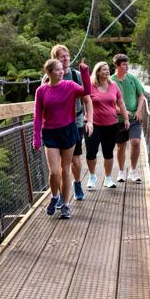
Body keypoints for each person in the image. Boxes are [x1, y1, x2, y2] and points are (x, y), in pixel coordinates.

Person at [33, 57, 91, 219]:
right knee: (54, 172)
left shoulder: (70, 86)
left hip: (68, 131)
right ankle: (54, 197)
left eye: (62, 69)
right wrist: (36, 138)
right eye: (58, 69)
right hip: (50, 133)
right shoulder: (41, 91)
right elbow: (38, 116)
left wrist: (85, 71)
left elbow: (87, 91)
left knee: (65, 170)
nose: (62, 71)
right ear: (49, 73)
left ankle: (65, 205)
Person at [46, 45, 93, 201]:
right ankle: (59, 196)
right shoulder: (47, 78)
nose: (66, 59)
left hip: (76, 122)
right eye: (62, 57)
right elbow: (42, 100)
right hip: (55, 126)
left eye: (67, 56)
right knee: (57, 167)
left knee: (75, 161)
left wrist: (90, 120)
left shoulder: (75, 75)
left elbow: (87, 98)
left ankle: (77, 183)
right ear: (55, 59)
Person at [85, 61, 130, 189]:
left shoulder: (113, 85)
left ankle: (108, 178)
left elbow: (121, 103)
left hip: (111, 124)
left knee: (108, 152)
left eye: (107, 69)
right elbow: (84, 100)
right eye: (104, 69)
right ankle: (92, 176)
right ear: (98, 72)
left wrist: (126, 119)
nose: (107, 71)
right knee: (91, 152)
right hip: (93, 124)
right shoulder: (91, 86)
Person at [111, 54, 145, 183]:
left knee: (136, 142)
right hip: (118, 119)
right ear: (117, 66)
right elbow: (110, 102)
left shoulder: (132, 78)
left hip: (134, 118)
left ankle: (133, 171)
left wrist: (139, 110)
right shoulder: (111, 81)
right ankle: (121, 172)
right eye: (124, 65)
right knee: (121, 146)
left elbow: (141, 95)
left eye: (127, 64)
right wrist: (123, 112)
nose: (127, 67)